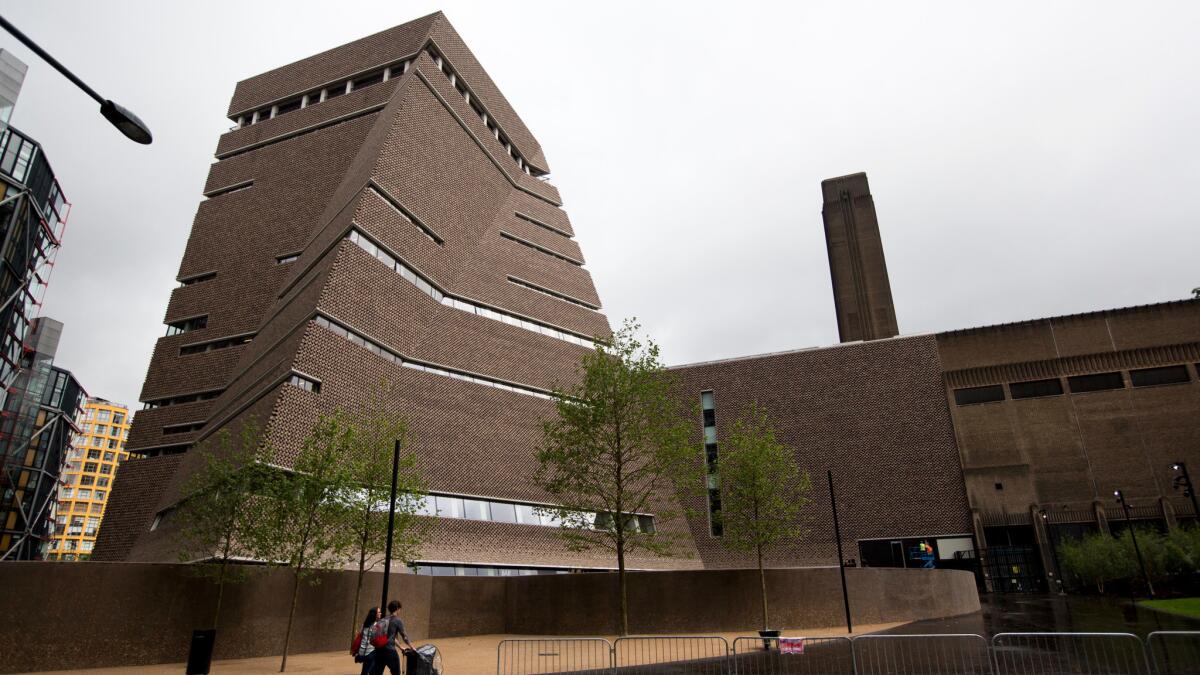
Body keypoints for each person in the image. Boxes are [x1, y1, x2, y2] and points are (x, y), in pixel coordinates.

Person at [369, 599, 415, 675]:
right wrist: (412, 647)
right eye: (400, 609)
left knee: (377, 672)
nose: (400, 611)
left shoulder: (383, 619)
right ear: (397, 608)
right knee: (396, 672)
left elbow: (390, 637)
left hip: (379, 650)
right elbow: (405, 637)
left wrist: (400, 647)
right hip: (390, 650)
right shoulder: (397, 620)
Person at [355, 607, 380, 675]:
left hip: (362, 651)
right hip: (370, 651)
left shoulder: (365, 624)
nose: (380, 613)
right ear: (375, 614)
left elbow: (360, 634)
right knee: (365, 672)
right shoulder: (376, 625)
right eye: (379, 612)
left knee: (370, 670)